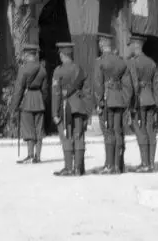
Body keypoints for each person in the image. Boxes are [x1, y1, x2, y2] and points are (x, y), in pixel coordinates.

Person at [93, 32, 132, 174]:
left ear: (102, 45)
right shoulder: (122, 62)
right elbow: (128, 86)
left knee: (108, 133)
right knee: (118, 132)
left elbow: (98, 84)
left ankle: (109, 165)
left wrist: (99, 102)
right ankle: (118, 165)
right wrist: (125, 101)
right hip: (120, 100)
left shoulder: (100, 62)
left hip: (107, 100)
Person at [51, 42, 90, 177]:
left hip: (64, 108)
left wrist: (54, 113)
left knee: (67, 137)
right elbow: (87, 91)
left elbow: (56, 93)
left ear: (62, 55)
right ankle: (78, 169)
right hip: (79, 107)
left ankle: (68, 168)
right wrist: (87, 110)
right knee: (79, 136)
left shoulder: (58, 71)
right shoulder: (80, 69)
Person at [126, 33, 158, 173]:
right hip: (150, 99)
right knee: (150, 131)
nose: (130, 48)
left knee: (140, 131)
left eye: (131, 45)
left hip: (139, 100)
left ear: (136, 45)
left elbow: (132, 85)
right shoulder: (152, 62)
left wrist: (130, 103)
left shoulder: (132, 63)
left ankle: (144, 163)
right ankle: (151, 163)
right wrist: (157, 103)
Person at [10, 43, 49, 165]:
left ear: (26, 55)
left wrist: (14, 106)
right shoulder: (42, 69)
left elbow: (19, 89)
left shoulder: (23, 68)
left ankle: (30, 155)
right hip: (39, 101)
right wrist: (43, 101)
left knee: (28, 129)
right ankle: (38, 156)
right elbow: (45, 90)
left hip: (28, 100)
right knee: (39, 129)